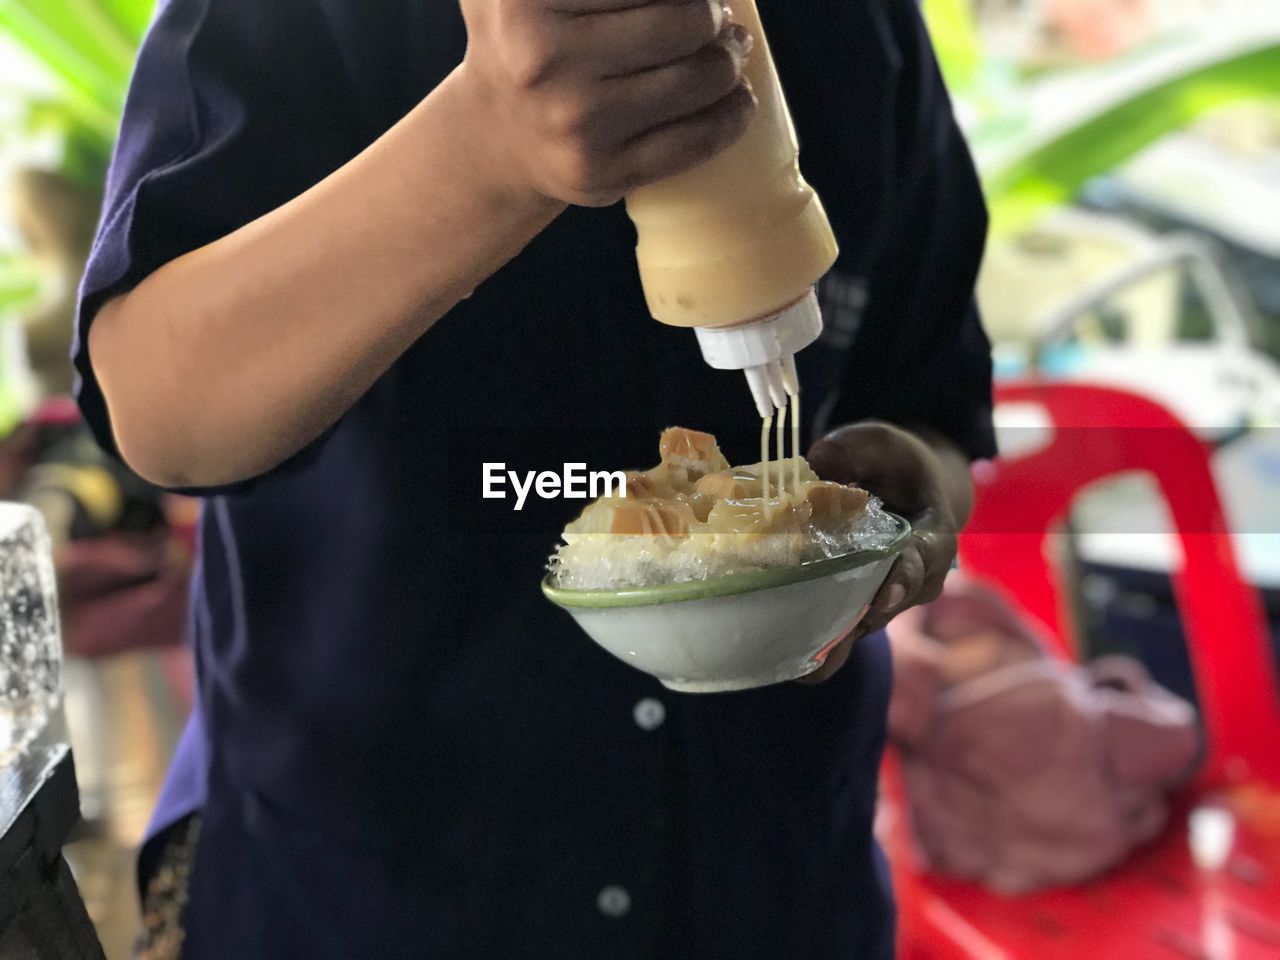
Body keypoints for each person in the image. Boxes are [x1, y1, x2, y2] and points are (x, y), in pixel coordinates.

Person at [75, 0, 993, 956]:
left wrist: (913, 489)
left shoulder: (863, 27)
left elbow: (935, 402)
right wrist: (481, 150)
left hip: (775, 883)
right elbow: (157, 416)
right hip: (366, 890)